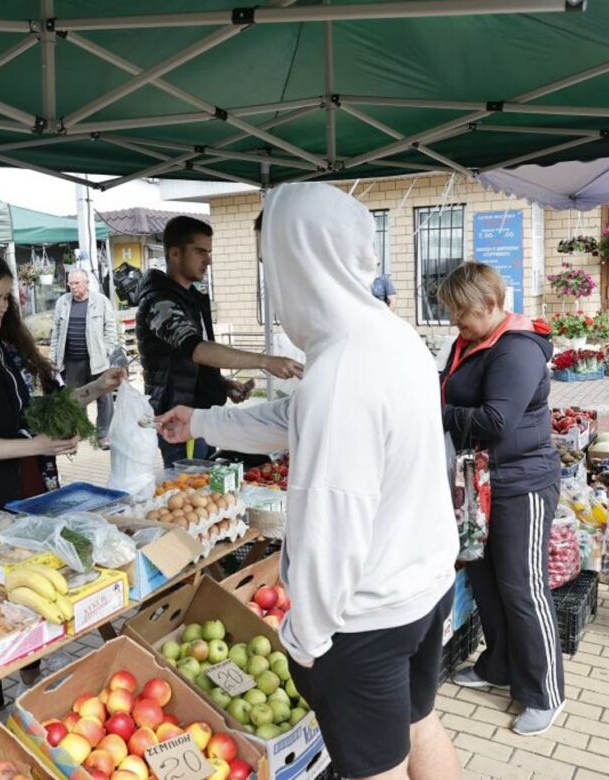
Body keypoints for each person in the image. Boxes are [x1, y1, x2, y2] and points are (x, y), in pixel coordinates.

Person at [158, 184, 461, 780]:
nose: (274, 285)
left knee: (375, 768)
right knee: (419, 720)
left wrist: (307, 635)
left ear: (301, 262)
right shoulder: (388, 336)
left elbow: (332, 519)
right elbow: (290, 417)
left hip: (365, 614)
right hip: (424, 583)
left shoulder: (341, 373)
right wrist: (202, 421)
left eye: (273, 265)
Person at [437, 262, 565, 736]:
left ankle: (545, 691)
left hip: (521, 482)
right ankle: (499, 665)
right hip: (481, 483)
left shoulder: (517, 350)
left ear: (490, 304)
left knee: (523, 587)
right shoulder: (470, 343)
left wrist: (437, 410)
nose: (456, 324)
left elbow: (495, 422)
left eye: (462, 313)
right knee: (486, 579)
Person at [0, 247, 124, 510]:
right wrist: (36, 445)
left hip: (28, 485)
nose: (2, 307)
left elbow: (52, 404)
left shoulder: (7, 347)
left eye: (5, 298)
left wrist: (99, 386)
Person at [135, 215, 303, 466]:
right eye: (200, 251)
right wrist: (264, 361)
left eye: (210, 252)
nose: (209, 260)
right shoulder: (160, 303)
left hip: (200, 413)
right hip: (177, 417)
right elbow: (195, 349)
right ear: (175, 254)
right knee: (191, 494)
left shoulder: (191, 297)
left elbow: (186, 362)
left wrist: (221, 383)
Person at [49, 268, 119, 449]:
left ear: (86, 283)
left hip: (97, 360)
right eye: (70, 283)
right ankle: (81, 430)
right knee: (76, 397)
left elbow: (110, 328)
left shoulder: (101, 302)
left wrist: (109, 352)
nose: (72, 287)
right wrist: (53, 358)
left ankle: (103, 434)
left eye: (76, 283)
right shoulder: (62, 303)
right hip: (72, 360)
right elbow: (56, 332)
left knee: (104, 398)